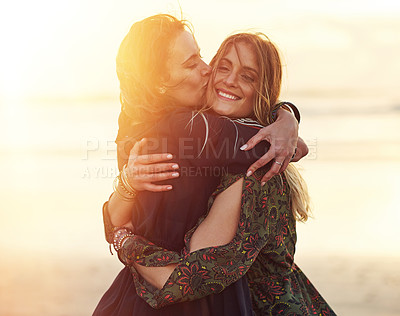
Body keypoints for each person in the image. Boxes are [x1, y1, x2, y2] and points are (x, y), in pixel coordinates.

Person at [104, 32, 336, 314]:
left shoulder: (255, 173)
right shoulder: (198, 143)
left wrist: (124, 240)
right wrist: (287, 116)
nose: (228, 80)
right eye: (223, 67)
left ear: (261, 89)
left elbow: (183, 280)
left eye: (248, 76)